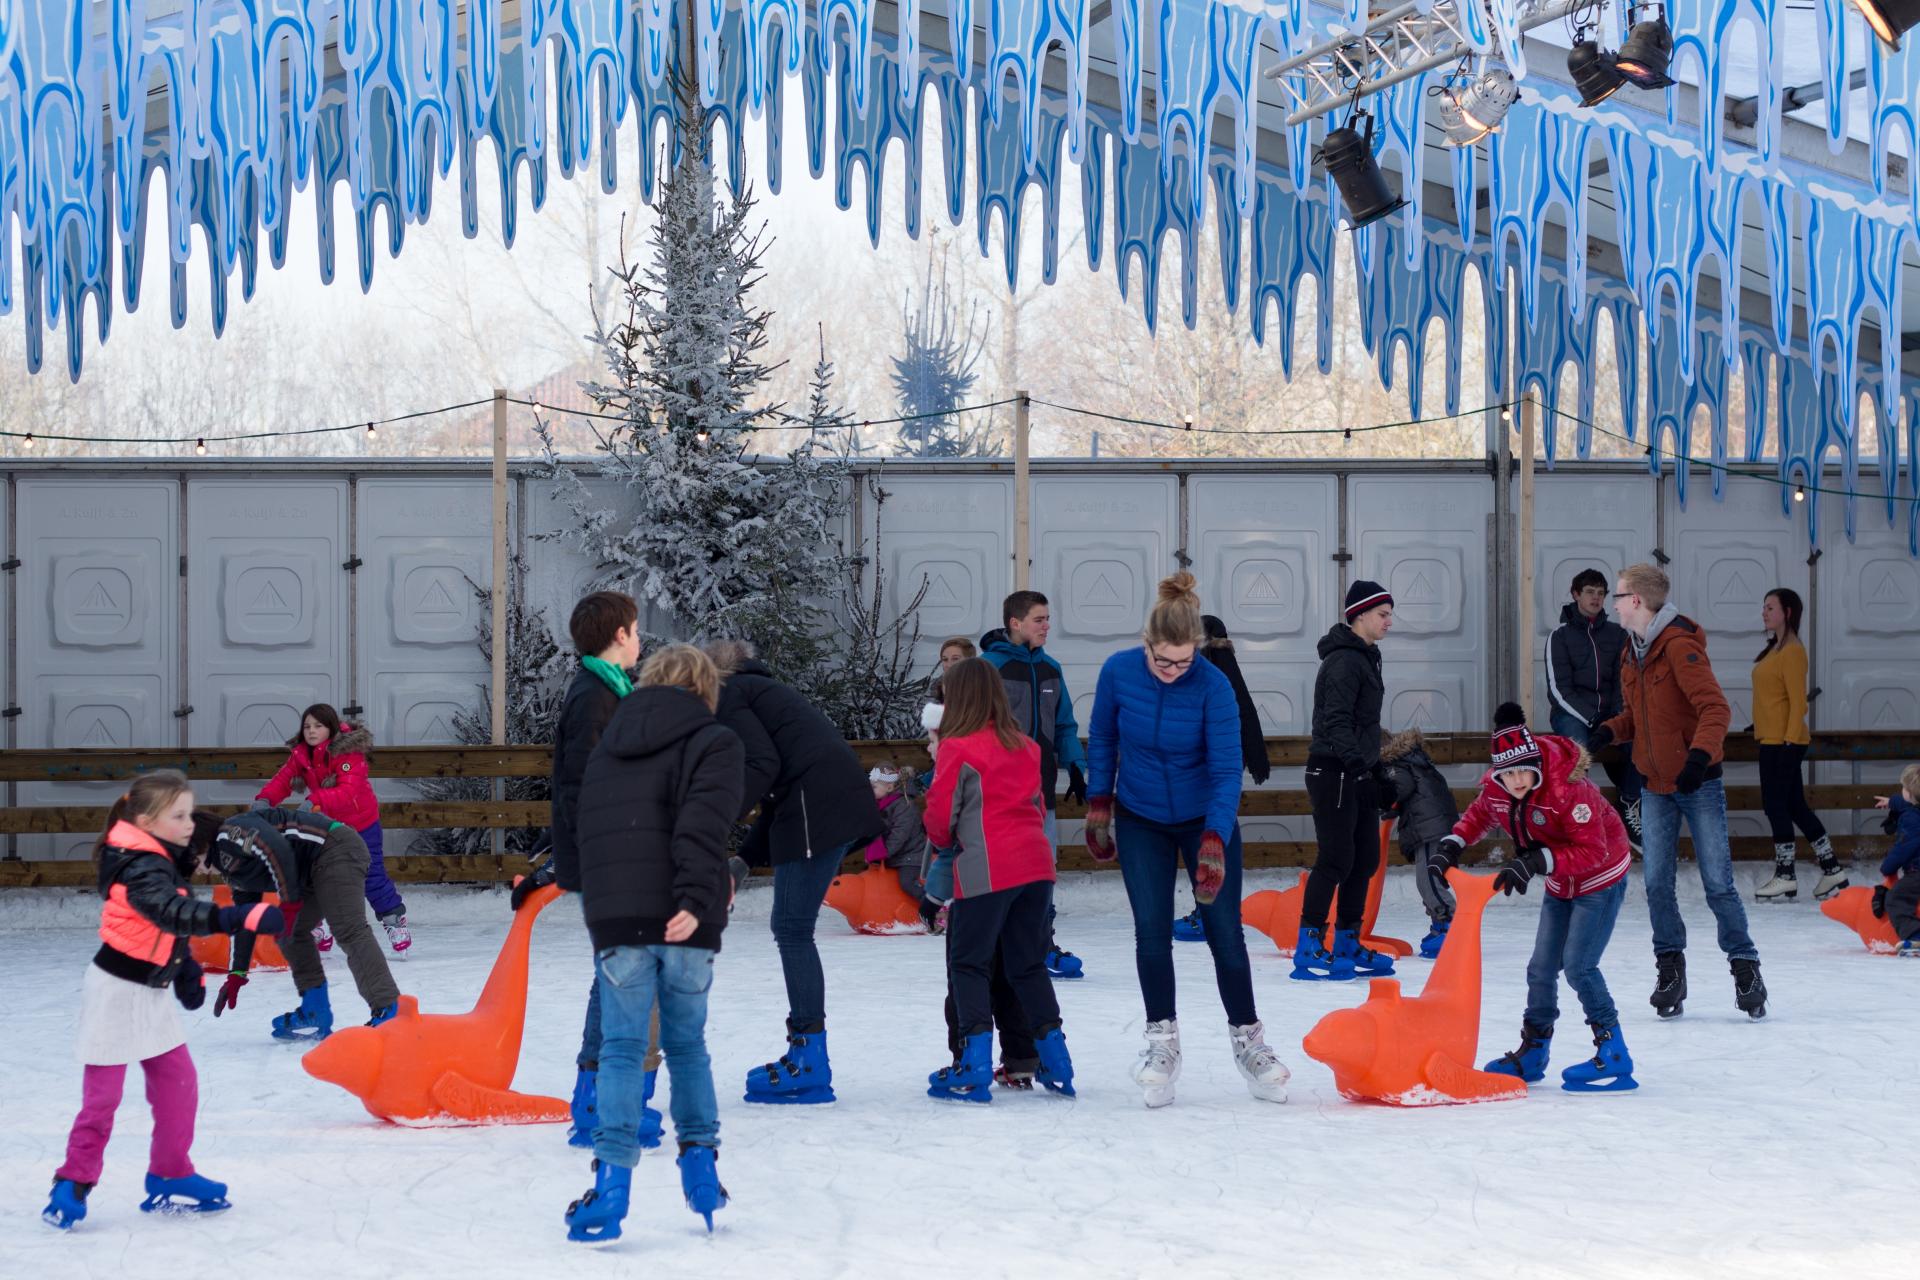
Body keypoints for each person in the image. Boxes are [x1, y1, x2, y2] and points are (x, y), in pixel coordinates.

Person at [43, 771, 285, 1230]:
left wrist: (187, 972)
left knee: (179, 1086)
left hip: (149, 993)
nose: (189, 823)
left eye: (189, 812)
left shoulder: (161, 857)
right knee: (103, 1101)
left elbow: (163, 929)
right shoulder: (138, 865)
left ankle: (170, 1172)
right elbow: (171, 912)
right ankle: (71, 1182)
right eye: (179, 815)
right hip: (114, 993)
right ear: (149, 821)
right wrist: (239, 915)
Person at [1085, 572, 1289, 1108]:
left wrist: (1215, 837)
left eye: (1184, 661)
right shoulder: (1118, 672)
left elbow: (1226, 769)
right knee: (1151, 932)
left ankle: (1250, 1042)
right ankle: (1161, 1043)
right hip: (1141, 817)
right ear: (1147, 643)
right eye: (1163, 661)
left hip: (1204, 817)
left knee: (1225, 933)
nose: (1174, 672)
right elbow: (1104, 737)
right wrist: (1099, 803)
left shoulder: (1213, 685)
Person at [565, 645, 744, 1243]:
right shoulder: (713, 742)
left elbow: (586, 829)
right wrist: (697, 902)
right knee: (687, 1046)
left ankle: (610, 1186)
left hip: (617, 917)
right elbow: (703, 826)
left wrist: (601, 911)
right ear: (704, 687)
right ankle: (700, 1171)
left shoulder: (609, 747)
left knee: (620, 1050)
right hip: (683, 915)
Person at [708, 639, 883, 1105]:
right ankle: (808, 1055)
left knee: (791, 928)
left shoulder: (728, 695)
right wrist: (742, 861)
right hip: (826, 800)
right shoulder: (757, 690)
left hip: (817, 806)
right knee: (792, 928)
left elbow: (762, 768)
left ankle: (809, 1060)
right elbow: (775, 781)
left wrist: (711, 821)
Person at [1590, 563, 1767, 1020]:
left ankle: (1745, 967)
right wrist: (1609, 732)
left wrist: (1698, 759)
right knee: (1655, 884)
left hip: (1697, 783)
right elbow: (1638, 718)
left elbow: (1716, 709)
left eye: (1618, 595)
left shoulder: (1679, 647)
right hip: (1654, 785)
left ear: (1636, 602)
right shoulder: (1632, 652)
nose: (1612, 602)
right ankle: (1670, 970)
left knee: (1717, 884)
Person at [1433, 705, 1637, 1092]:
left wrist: (1536, 861)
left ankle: (1614, 1053)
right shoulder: (1500, 785)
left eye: (1521, 771)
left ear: (1536, 764)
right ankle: (1534, 1051)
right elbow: (1480, 814)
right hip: (1561, 880)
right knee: (1541, 968)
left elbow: (1593, 850)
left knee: (1579, 966)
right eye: (1506, 773)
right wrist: (1452, 843)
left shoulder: (1567, 788)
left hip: (1601, 877)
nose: (1515, 781)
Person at [524, 591, 654, 1150]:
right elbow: (582, 788)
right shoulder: (595, 697)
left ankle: (598, 1097)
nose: (640, 637)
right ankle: (600, 1101)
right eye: (636, 627)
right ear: (621, 634)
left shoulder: (610, 690)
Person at [920, 658, 1074, 1102]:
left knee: (968, 963)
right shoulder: (1027, 746)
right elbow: (1035, 801)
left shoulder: (959, 748)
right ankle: (1055, 1059)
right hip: (1036, 867)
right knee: (1026, 965)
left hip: (989, 869)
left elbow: (939, 819)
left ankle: (972, 1063)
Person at [208, 807, 402, 1037]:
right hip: (310, 868)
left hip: (335, 847)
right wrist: (237, 973)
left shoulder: (231, 834)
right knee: (290, 932)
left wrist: (289, 905)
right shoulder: (231, 866)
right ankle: (315, 1009)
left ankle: (389, 1009)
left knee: (349, 928)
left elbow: (277, 849)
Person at [980, 591, 1089, 979]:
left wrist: (1075, 764)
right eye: (1039, 619)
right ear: (1015, 622)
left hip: (1041, 790)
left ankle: (1042, 944)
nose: (1046, 626)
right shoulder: (988, 668)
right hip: (999, 794)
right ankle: (995, 948)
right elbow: (971, 727)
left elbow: (1064, 723)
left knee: (1042, 870)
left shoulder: (1051, 669)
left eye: (1047, 618)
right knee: (1002, 871)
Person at [1294, 580, 1398, 981]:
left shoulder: (1367, 656)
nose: (1390, 621)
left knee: (1365, 859)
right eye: (1382, 614)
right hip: (1333, 770)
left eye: (1390, 614)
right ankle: (1308, 944)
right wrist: (1359, 770)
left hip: (1353, 769)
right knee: (1336, 858)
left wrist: (1375, 771)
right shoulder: (1344, 662)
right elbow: (1336, 722)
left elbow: (1362, 724)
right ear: (1358, 616)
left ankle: (1347, 941)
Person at [254, 704, 409, 959]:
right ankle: (316, 926)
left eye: (318, 726)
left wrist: (316, 800)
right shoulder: (302, 754)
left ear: (331, 728)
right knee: (313, 874)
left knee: (371, 874)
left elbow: (348, 791)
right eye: (307, 726)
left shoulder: (348, 753)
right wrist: (264, 801)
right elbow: (282, 780)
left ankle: (394, 920)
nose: (312, 731)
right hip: (326, 826)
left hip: (361, 824)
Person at [1173, 615, 1272, 942]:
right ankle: (1215, 911)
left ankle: (1209, 913)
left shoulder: (1204, 671)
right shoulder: (1225, 669)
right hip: (1219, 771)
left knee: (1207, 839)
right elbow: (1244, 712)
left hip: (1205, 773)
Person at [1752, 587, 1849, 903]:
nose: (1764, 612)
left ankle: (1785, 875)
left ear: (1788, 612)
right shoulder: (1776, 649)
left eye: (1770, 607)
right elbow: (1775, 696)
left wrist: (1790, 743)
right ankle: (1832, 868)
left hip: (1783, 742)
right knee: (1795, 807)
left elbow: (1798, 703)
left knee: (1776, 806)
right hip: (1772, 737)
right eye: (1763, 607)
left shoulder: (1793, 651)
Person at [1545, 568, 1644, 855]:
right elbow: (1559, 690)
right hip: (1572, 714)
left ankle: (1630, 805)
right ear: (1576, 594)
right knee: (1577, 752)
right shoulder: (1559, 637)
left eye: (1601, 593)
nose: (1596, 598)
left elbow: (1623, 680)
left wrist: (1613, 716)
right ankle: (1578, 821)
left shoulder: (1617, 635)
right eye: (1589, 592)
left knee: (1637, 741)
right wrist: (1591, 717)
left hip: (1611, 712)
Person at [1377, 726, 1461, 958]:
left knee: (1429, 880)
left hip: (1430, 829)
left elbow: (1400, 790)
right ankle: (1439, 924)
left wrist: (1385, 804)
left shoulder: (1396, 765)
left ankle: (1449, 924)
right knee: (1431, 878)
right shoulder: (1413, 760)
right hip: (1435, 824)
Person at [864, 765, 929, 905]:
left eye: (874, 787)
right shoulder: (880, 804)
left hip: (911, 855)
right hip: (895, 855)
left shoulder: (904, 805)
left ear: (889, 788)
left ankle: (933, 905)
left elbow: (900, 833)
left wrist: (885, 852)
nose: (870, 790)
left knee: (907, 883)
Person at [1872, 765, 1920, 954]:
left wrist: (1888, 867)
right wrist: (1892, 802)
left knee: (1896, 898)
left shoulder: (1911, 820)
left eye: (1903, 789)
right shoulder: (1912, 807)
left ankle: (1915, 936)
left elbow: (1904, 848)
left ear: (1910, 794)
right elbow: (1907, 802)